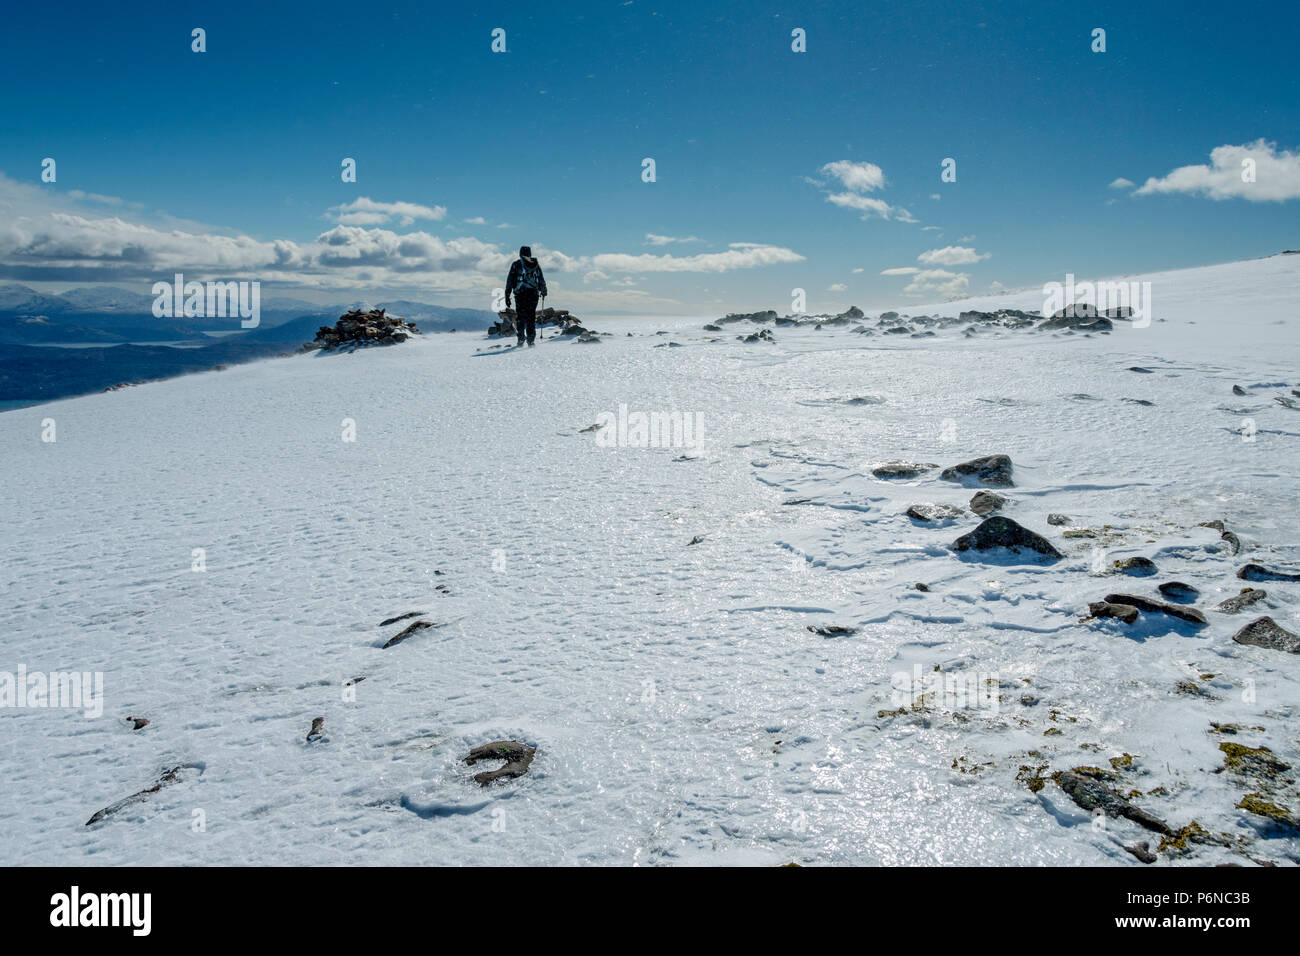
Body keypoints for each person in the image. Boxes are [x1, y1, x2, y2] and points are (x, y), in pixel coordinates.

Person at [504, 245, 548, 346]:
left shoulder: (516, 264)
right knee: (531, 317)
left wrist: (507, 295)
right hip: (533, 294)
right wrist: (544, 291)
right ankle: (531, 340)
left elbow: (510, 280)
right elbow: (541, 279)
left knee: (520, 317)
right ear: (530, 254)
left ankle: (521, 339)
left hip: (520, 294)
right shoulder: (536, 264)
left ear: (520, 254)